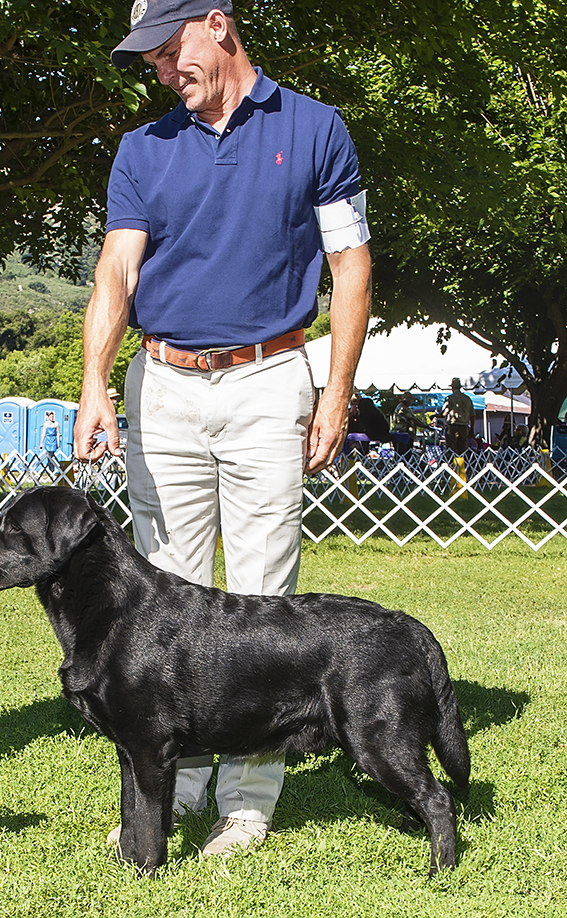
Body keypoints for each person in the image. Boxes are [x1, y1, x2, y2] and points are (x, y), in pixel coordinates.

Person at [73, 2, 371, 857]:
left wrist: (336, 390)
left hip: (273, 377)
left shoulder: (316, 128)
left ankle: (247, 798)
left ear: (218, 23)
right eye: (154, 63)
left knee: (265, 594)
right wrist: (95, 379)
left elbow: (350, 263)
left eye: (172, 51)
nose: (165, 73)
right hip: (162, 384)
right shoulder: (143, 148)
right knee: (159, 598)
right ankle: (172, 779)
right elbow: (116, 270)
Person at [443, 378, 475, 454]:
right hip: (464, 427)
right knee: (463, 450)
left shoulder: (449, 398)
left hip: (452, 426)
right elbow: (472, 415)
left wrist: (436, 415)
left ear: (452, 388)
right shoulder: (467, 399)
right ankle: (462, 465)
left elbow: (444, 413)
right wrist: (472, 429)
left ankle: (451, 465)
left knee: (451, 450)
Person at [39, 410, 61, 477]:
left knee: (52, 454)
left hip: (53, 440)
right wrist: (41, 443)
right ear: (48, 417)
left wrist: (58, 442)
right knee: (49, 455)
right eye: (50, 416)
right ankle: (50, 468)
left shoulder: (56, 424)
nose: (52, 418)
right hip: (48, 440)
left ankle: (52, 468)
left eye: (52, 416)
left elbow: (58, 433)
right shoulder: (46, 424)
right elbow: (43, 434)